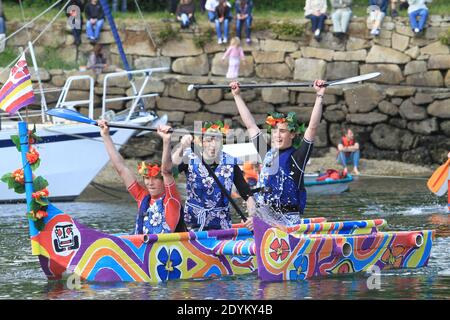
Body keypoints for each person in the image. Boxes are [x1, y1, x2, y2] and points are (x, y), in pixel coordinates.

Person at [230, 79, 326, 229]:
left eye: (282, 131)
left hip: (288, 222)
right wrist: (237, 96)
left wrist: (319, 96)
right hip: (266, 217)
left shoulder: (297, 158)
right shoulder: (267, 153)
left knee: (259, 222)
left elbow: (312, 128)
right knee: (254, 216)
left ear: (292, 134)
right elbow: (250, 125)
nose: (277, 135)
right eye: (274, 131)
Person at [98, 120, 184, 235]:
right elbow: (121, 169)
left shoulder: (171, 199)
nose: (150, 183)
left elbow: (167, 171)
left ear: (164, 181)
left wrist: (166, 140)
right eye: (147, 178)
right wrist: (106, 135)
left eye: (155, 178)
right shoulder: (142, 197)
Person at [172, 121, 256, 231]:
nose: (213, 145)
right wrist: (182, 147)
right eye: (209, 140)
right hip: (192, 225)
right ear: (202, 142)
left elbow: (247, 194)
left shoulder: (230, 162)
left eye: (217, 139)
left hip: (221, 226)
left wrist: (252, 217)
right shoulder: (189, 157)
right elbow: (170, 170)